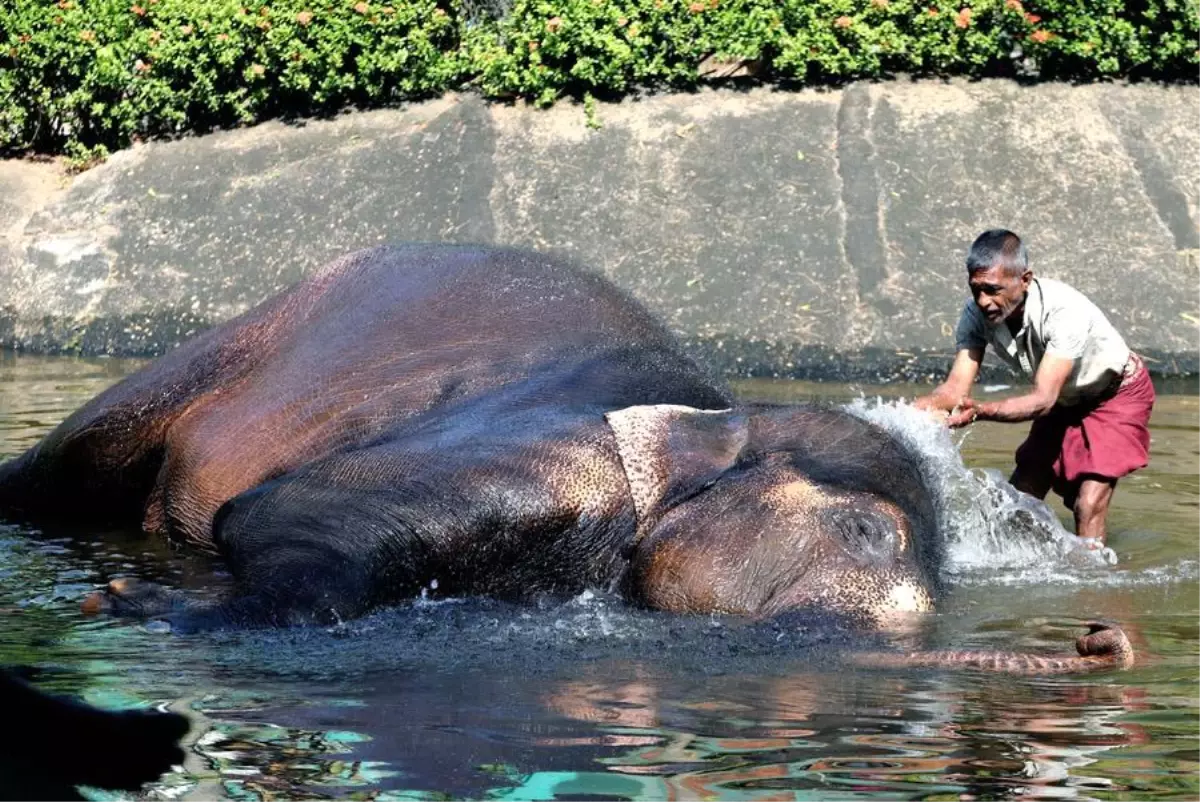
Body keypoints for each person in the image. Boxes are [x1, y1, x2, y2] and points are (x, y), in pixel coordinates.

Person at [915, 229, 1155, 547]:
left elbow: (1043, 399)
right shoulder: (975, 314)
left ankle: (1094, 584)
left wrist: (982, 412)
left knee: (1088, 503)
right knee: (1018, 497)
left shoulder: (1063, 312)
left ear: (1025, 279)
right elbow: (954, 389)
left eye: (993, 290)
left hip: (1114, 393)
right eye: (976, 290)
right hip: (1066, 398)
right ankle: (1029, 562)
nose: (984, 301)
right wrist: (902, 415)